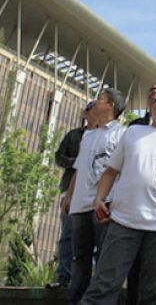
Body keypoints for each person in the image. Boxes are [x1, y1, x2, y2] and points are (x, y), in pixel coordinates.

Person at [78, 93, 156, 305]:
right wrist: (99, 198)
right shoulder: (133, 132)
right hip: (123, 222)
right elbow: (110, 172)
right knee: (103, 285)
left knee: (151, 292)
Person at [63, 88, 126, 304]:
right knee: (79, 257)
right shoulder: (88, 135)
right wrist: (69, 196)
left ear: (111, 106)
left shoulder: (122, 134)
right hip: (80, 206)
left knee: (104, 258)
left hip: (104, 205)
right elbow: (79, 169)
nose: (95, 102)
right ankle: (76, 299)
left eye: (100, 99)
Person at [125, 81, 156, 305]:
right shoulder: (134, 127)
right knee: (132, 268)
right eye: (152, 90)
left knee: (155, 271)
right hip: (132, 210)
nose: (155, 94)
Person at [50, 101, 96, 288]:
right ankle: (64, 276)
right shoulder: (74, 135)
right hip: (70, 188)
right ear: (85, 114)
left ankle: (87, 279)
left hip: (95, 192)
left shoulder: (107, 136)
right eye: (90, 110)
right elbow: (59, 156)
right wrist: (77, 163)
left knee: (93, 237)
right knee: (68, 233)